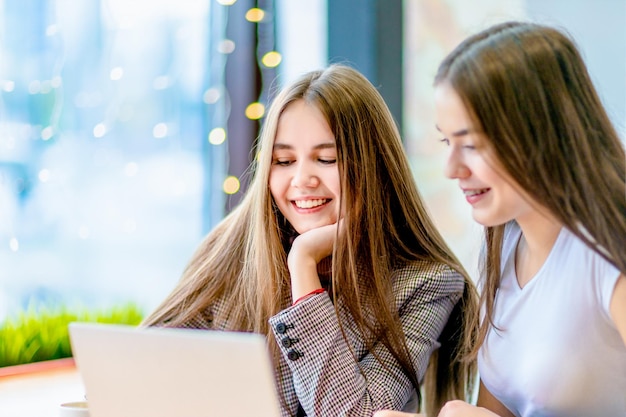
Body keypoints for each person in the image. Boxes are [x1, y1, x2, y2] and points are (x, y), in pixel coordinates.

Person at [142, 64, 478, 416]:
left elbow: (356, 414)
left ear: (374, 165)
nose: (302, 179)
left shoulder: (426, 283)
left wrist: (303, 264)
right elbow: (144, 369)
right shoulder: (231, 247)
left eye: (326, 159)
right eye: (283, 161)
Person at [375, 20, 626, 417]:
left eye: (471, 145)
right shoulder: (504, 243)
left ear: (539, 135)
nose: (451, 168)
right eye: (447, 142)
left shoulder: (609, 253)